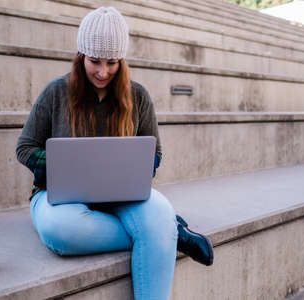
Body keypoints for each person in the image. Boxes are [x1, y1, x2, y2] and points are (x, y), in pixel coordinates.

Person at [16, 7, 213, 300]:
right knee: (61, 231)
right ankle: (170, 232)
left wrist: (138, 167)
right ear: (81, 55)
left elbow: (154, 152)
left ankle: (162, 227)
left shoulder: (138, 95)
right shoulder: (56, 92)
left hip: (123, 195)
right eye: (95, 61)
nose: (103, 71)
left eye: (112, 62)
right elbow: (25, 148)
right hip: (59, 196)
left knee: (157, 213)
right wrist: (63, 163)